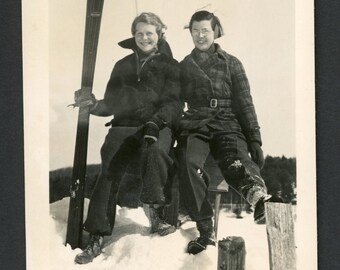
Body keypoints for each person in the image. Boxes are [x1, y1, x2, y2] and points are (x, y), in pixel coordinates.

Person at [72, 12, 182, 264]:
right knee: (109, 168)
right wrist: (92, 104)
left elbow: (174, 103)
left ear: (159, 34)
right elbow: (110, 104)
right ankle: (97, 234)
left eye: (149, 33)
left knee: (155, 151)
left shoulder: (170, 65)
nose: (144, 38)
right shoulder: (122, 65)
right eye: (139, 33)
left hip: (157, 124)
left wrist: (157, 122)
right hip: (124, 126)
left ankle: (154, 210)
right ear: (134, 35)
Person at [177, 10, 282, 255]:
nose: (200, 35)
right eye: (195, 31)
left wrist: (254, 138)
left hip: (227, 122)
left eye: (205, 30)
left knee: (235, 159)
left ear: (215, 31)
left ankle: (258, 200)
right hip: (196, 124)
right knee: (188, 162)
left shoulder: (231, 63)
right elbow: (173, 101)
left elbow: (245, 102)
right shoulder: (184, 66)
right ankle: (205, 231)